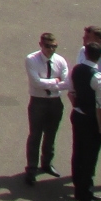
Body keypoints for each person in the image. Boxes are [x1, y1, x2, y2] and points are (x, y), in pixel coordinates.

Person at [29, 31, 70, 187]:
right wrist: (55, 81)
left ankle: (47, 163)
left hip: (55, 102)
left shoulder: (60, 60)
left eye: (54, 46)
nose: (51, 49)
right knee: (35, 136)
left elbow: (66, 83)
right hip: (38, 102)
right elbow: (36, 83)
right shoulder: (31, 59)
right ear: (41, 45)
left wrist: (48, 82)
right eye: (48, 46)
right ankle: (31, 169)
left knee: (51, 135)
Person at [72, 42, 101, 201]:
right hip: (91, 121)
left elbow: (72, 93)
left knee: (78, 154)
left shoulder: (76, 70)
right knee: (89, 159)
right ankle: (86, 199)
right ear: (100, 56)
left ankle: (80, 191)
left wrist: (78, 106)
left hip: (78, 116)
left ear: (85, 53)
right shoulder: (99, 78)